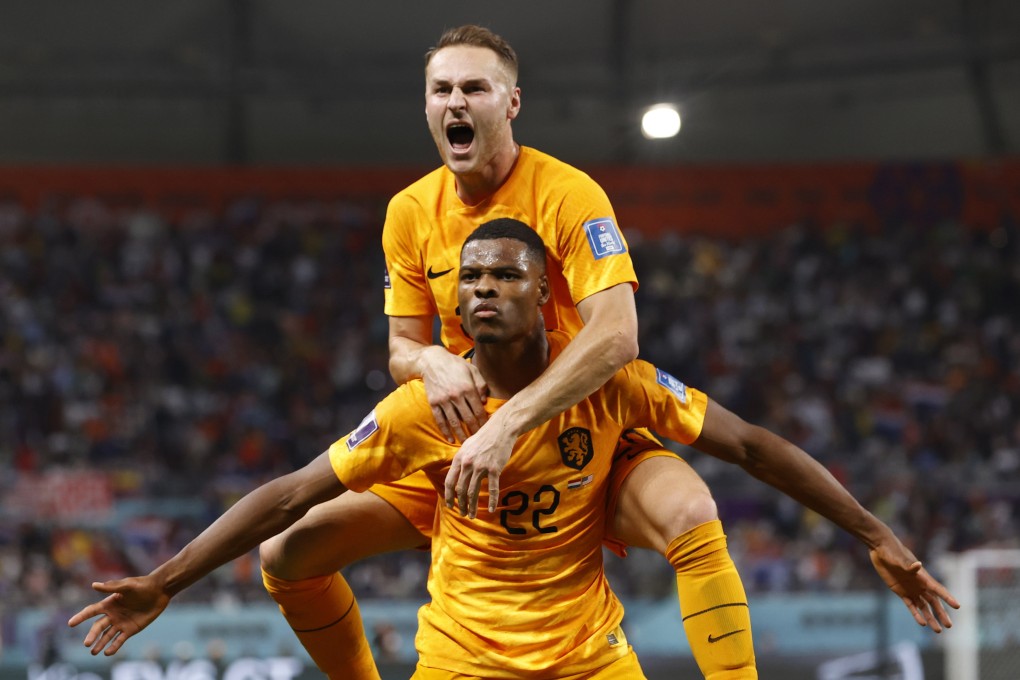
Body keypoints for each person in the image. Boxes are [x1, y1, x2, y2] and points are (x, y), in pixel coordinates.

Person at [68, 222, 959, 679]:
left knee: (697, 512)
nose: (485, 288)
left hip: (588, 657)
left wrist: (875, 533)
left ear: (549, 296)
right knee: (287, 549)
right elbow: (292, 491)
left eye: (507, 276)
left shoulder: (615, 382)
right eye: (472, 279)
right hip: (464, 657)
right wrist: (167, 580)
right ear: (455, 305)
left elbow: (756, 448)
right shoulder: (425, 406)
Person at [259, 24, 758, 680]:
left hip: (579, 432)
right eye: (443, 89)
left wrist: (511, 423)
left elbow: (616, 335)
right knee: (286, 552)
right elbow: (401, 348)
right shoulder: (409, 212)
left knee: (692, 513)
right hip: (464, 440)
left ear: (511, 102)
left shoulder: (568, 194)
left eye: (475, 87)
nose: (457, 101)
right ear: (428, 105)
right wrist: (430, 362)